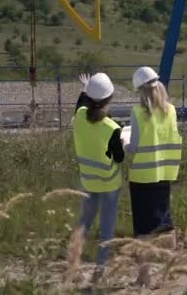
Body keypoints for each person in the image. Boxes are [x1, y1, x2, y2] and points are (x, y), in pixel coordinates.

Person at [73, 73, 126, 281]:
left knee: (83, 225)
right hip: (109, 185)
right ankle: (99, 271)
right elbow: (119, 159)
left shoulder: (79, 117)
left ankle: (73, 265)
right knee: (106, 231)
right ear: (109, 99)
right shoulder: (112, 128)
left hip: (88, 181)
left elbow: (81, 106)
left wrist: (86, 89)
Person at [124, 66, 182, 243]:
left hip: (142, 177)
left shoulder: (138, 112)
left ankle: (144, 267)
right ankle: (171, 262)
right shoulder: (171, 110)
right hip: (165, 174)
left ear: (141, 91)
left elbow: (133, 147)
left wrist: (124, 141)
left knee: (144, 225)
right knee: (164, 221)